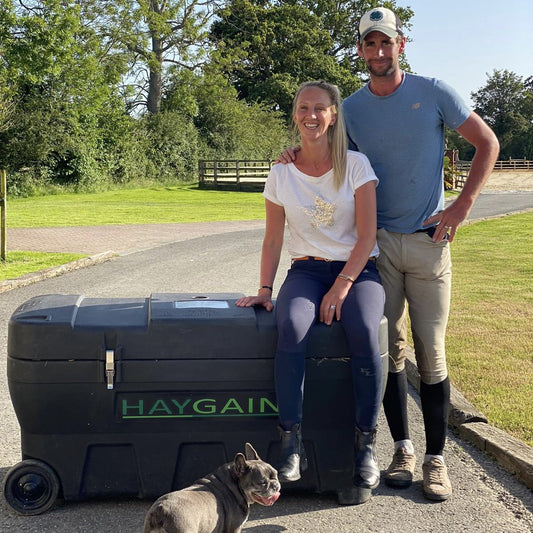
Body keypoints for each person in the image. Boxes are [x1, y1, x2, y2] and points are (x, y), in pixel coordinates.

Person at [279, 8, 500, 502]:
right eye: (369, 45)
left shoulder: (435, 92)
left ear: (402, 45)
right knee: (391, 350)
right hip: (376, 249)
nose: (379, 52)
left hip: (428, 243)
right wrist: (293, 155)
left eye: (387, 43)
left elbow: (487, 142)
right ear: (360, 51)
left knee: (432, 352)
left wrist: (460, 206)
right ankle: (402, 449)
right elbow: (328, 150)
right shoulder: (352, 107)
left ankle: (435, 460)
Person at [236, 80, 385, 505]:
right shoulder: (281, 171)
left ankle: (366, 446)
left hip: (359, 271)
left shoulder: (356, 164)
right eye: (304, 108)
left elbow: (368, 234)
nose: (311, 116)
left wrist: (342, 287)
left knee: (362, 328)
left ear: (334, 114)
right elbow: (272, 239)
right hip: (306, 272)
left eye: (320, 108)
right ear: (295, 113)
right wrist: (266, 289)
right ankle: (291, 444)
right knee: (293, 325)